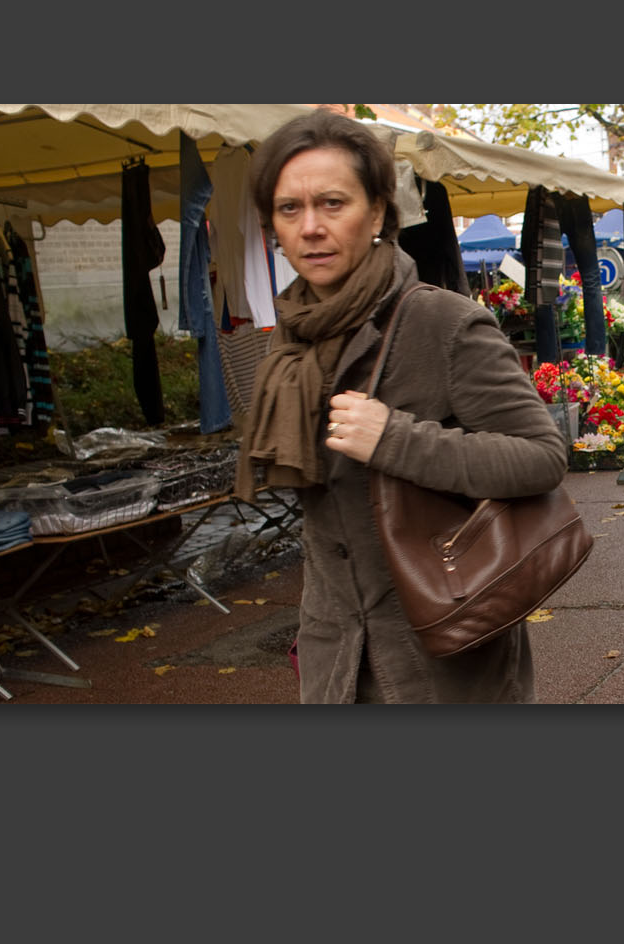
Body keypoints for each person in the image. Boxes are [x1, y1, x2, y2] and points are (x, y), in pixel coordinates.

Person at [234, 110, 566, 704]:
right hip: (336, 660)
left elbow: (541, 458)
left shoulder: (443, 323)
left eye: (333, 203)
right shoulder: (291, 340)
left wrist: (395, 440)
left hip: (444, 657)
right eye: (290, 209)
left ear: (379, 213)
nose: (310, 227)